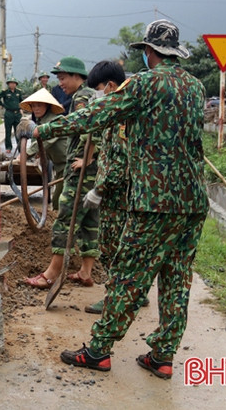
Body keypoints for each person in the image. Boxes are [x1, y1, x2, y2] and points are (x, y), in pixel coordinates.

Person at [22, 20, 208, 379]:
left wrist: (40, 130)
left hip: (155, 200)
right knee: (176, 278)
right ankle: (163, 356)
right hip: (193, 202)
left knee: (127, 275)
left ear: (149, 52)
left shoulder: (143, 83)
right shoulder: (196, 87)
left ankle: (99, 351)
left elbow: (92, 116)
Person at [23, 56, 99, 290]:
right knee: (89, 220)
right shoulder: (86, 95)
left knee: (66, 218)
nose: (61, 83)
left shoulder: (82, 97)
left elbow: (88, 124)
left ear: (78, 77)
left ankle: (51, 274)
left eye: (64, 78)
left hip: (82, 172)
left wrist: (87, 158)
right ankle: (86, 272)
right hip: (92, 171)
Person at [80, 60, 129, 315]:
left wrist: (99, 189)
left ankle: (115, 299)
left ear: (110, 86)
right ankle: (132, 295)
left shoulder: (120, 117)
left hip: (119, 198)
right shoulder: (115, 113)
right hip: (117, 195)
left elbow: (120, 163)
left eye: (98, 89)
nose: (97, 95)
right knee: (121, 249)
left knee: (112, 249)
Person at [20, 88, 68, 211]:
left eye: (39, 106)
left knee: (59, 200)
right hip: (59, 167)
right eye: (33, 106)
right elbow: (37, 141)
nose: (36, 108)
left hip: (68, 165)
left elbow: (46, 141)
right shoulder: (41, 122)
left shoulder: (55, 121)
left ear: (47, 106)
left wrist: (26, 153)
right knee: (58, 198)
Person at [0, 77, 24, 155]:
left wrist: (21, 108)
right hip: (9, 113)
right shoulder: (5, 92)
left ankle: (20, 147)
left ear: (16, 84)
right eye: (11, 83)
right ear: (8, 84)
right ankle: (8, 147)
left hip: (17, 114)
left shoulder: (19, 92)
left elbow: (21, 101)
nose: (12, 84)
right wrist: (2, 104)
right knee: (8, 131)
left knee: (18, 131)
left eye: (14, 83)